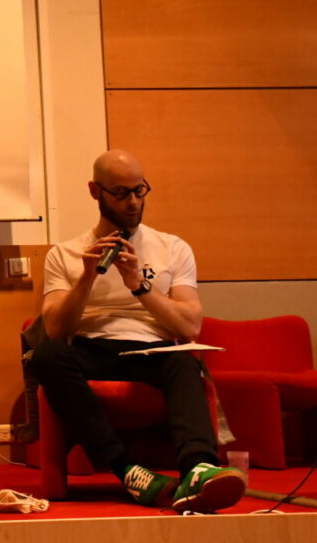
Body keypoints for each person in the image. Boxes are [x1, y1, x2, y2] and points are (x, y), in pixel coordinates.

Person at [31, 150, 246, 512]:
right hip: (91, 349)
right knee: (47, 356)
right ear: (94, 191)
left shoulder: (173, 248)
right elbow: (55, 329)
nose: (132, 203)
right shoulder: (63, 254)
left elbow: (190, 324)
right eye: (120, 193)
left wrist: (139, 286)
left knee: (185, 361)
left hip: (152, 350)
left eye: (139, 191)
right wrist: (86, 278)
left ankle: (198, 468)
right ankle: (127, 470)